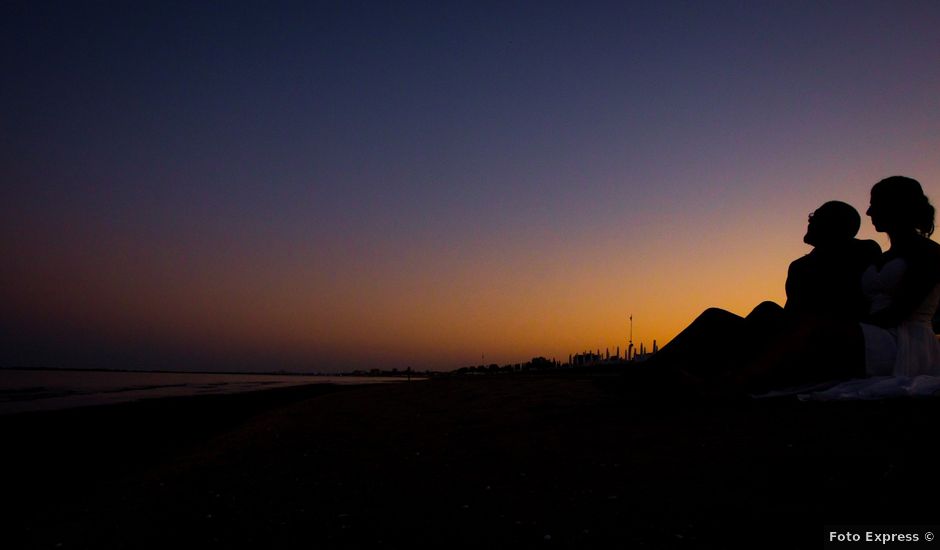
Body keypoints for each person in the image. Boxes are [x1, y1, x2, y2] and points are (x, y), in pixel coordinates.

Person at [649, 201, 880, 384]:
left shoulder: (862, 251)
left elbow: (850, 300)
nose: (809, 221)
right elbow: (793, 310)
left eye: (816, 217)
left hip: (827, 339)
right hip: (791, 333)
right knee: (716, 317)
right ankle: (653, 371)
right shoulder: (800, 265)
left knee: (765, 311)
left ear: (835, 226)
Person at [859, 176, 940, 377]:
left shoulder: (930, 252)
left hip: (906, 341)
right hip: (875, 333)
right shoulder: (881, 257)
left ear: (897, 206)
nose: (869, 212)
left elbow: (901, 310)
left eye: (874, 204)